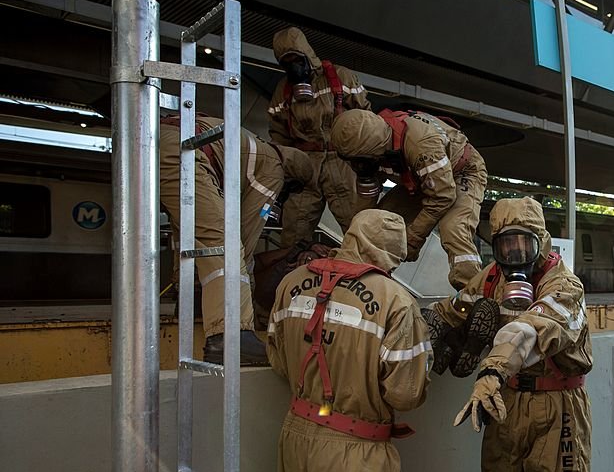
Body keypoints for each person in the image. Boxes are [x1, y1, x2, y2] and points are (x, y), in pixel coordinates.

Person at [425, 197, 592, 472]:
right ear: (494, 248)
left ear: (542, 242)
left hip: (557, 407)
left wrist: (491, 370)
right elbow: (455, 306)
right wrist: (428, 329)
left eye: (524, 245)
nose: (515, 256)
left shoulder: (563, 285)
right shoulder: (492, 278)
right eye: (505, 247)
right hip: (505, 399)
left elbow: (531, 329)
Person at [267, 208, 432, 472]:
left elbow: (277, 358)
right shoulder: (395, 300)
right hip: (353, 453)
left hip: (296, 439)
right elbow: (405, 393)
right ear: (391, 253)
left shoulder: (292, 284)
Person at [159, 114, 314, 364]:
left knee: (188, 233)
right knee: (225, 243)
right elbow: (245, 237)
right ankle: (231, 336)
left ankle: (192, 299)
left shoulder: (250, 150)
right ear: (292, 176)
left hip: (152, 141)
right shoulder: (273, 167)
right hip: (183, 153)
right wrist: (249, 298)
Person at [330, 108, 487, 290]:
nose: (357, 167)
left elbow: (442, 196)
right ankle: (365, 281)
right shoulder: (368, 142)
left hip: (461, 171)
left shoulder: (421, 144)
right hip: (421, 178)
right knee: (379, 223)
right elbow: (367, 210)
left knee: (453, 229)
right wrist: (358, 231)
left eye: (361, 161)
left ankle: (472, 295)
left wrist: (413, 239)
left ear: (377, 150)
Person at [268, 27, 373, 245]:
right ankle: (293, 275)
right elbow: (279, 134)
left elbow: (366, 120)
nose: (294, 67)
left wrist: (366, 159)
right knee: (294, 234)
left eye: (297, 59)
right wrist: (286, 169)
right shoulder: (283, 90)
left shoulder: (340, 77)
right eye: (286, 63)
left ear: (307, 55)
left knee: (361, 229)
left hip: (343, 161)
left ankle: (370, 275)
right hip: (304, 165)